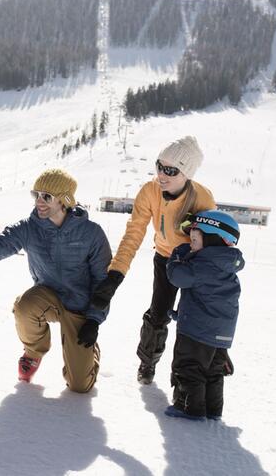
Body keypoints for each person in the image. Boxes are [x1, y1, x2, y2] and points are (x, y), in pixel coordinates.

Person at [0, 169, 112, 393]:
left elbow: (103, 281)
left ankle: (89, 355)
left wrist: (94, 320)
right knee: (24, 307)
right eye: (36, 194)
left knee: (79, 386)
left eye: (46, 196)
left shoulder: (91, 234)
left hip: (80, 306)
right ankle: (33, 352)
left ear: (64, 200)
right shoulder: (28, 229)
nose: (39, 201)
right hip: (46, 297)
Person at [89, 136, 216, 385]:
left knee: (194, 318)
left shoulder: (202, 198)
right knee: (159, 314)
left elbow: (212, 242)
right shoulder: (149, 191)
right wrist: (115, 275)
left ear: (186, 174)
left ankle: (189, 373)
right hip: (166, 259)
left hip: (195, 262)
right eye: (159, 165)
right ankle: (148, 362)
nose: (161, 174)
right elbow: (134, 233)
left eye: (171, 170)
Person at [163, 210, 244, 421]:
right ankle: (213, 409)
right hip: (222, 335)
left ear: (211, 239)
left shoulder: (202, 264)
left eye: (194, 239)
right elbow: (206, 298)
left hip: (197, 332)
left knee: (189, 368)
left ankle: (188, 407)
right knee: (213, 373)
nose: (190, 244)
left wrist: (177, 256)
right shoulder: (227, 266)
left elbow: (177, 276)